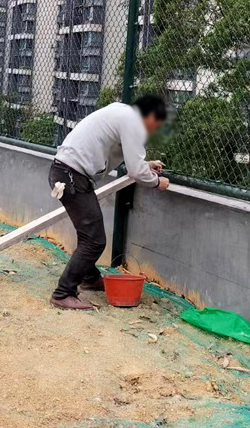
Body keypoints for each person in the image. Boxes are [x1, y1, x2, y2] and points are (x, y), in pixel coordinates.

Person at [47, 95, 170, 310]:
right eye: (156, 124)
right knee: (94, 240)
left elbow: (123, 154)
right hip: (72, 176)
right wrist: (157, 182)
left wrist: (145, 165)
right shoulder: (133, 121)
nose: (154, 130)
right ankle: (63, 293)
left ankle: (89, 278)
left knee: (89, 235)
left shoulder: (122, 112)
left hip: (65, 171)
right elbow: (136, 171)